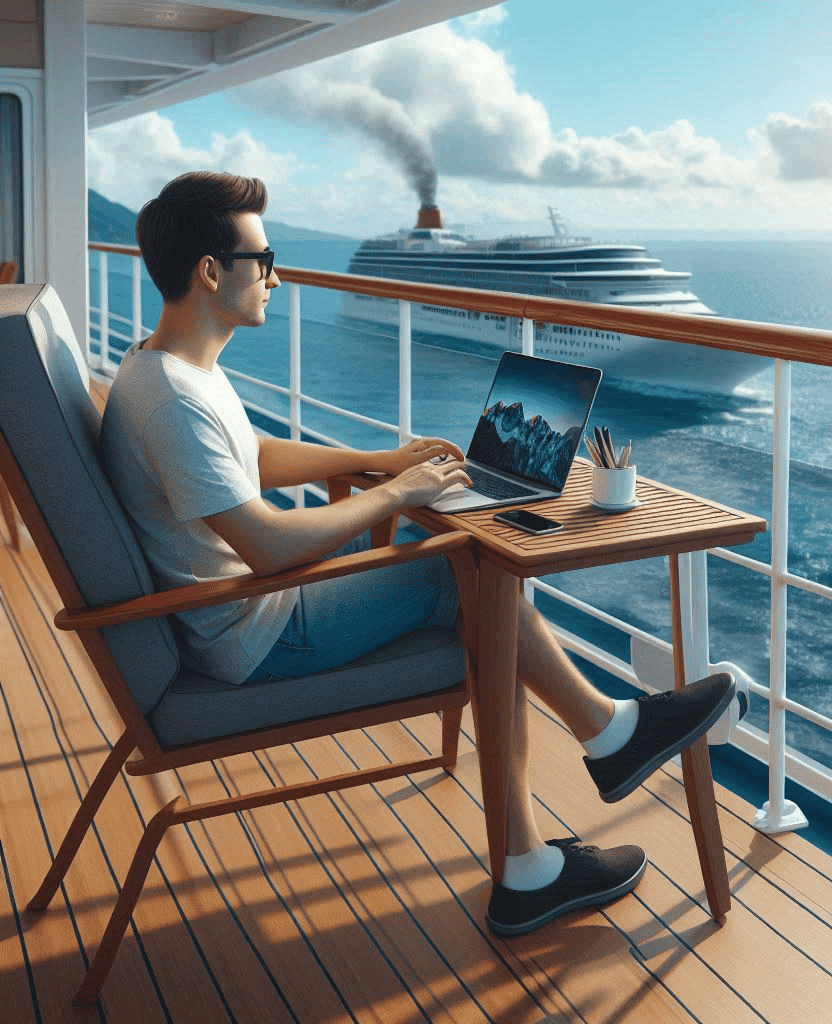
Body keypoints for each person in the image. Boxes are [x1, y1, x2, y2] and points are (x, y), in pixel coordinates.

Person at [101, 171, 735, 938]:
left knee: (471, 576)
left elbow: (253, 455)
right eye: (263, 259)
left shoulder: (164, 366)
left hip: (240, 614)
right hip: (252, 634)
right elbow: (266, 545)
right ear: (211, 271)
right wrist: (396, 497)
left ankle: (542, 844)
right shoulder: (173, 401)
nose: (276, 275)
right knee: (474, 571)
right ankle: (603, 745)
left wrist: (382, 460)